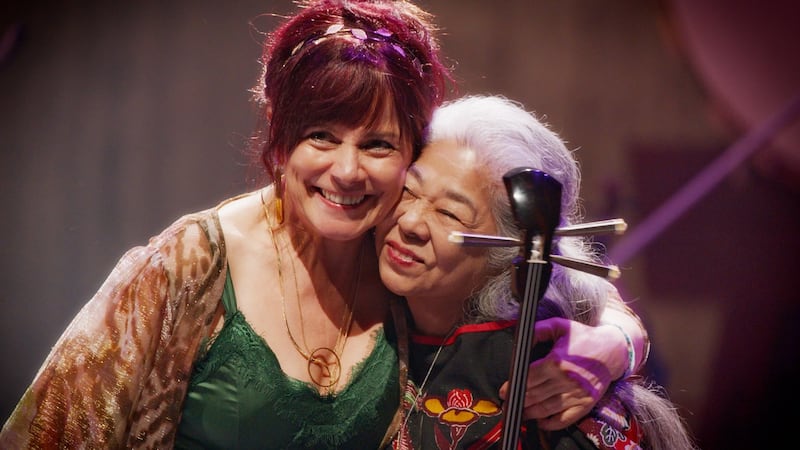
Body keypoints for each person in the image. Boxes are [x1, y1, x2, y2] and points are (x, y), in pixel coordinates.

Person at [0, 1, 649, 448]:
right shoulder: (187, 266)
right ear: (279, 144)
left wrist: (618, 342)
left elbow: (526, 270)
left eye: (378, 145)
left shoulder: (399, 259)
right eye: (320, 136)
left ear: (409, 158)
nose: (346, 171)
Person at [376, 95, 698, 449]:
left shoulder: (548, 383)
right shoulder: (357, 272)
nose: (410, 222)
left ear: (510, 253)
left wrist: (621, 339)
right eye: (409, 190)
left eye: (450, 214)